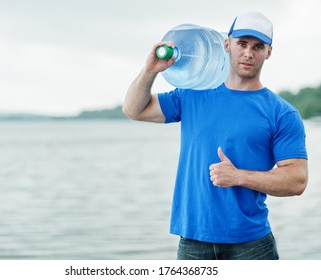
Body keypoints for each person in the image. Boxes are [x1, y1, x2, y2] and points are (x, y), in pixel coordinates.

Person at [122, 11, 308, 260]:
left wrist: (239, 177)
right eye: (242, 44)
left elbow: (297, 180)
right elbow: (134, 109)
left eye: (258, 47)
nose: (248, 53)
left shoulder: (281, 113)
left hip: (251, 244)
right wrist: (150, 70)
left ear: (269, 52)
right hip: (193, 239)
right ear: (227, 44)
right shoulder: (193, 93)